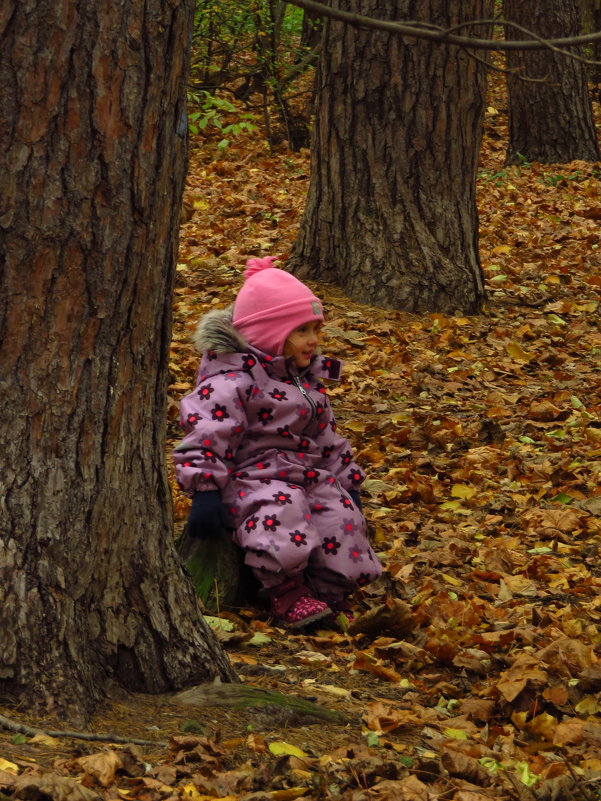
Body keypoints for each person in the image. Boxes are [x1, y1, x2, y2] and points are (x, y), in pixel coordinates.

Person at [174, 256, 382, 629]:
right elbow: (207, 432)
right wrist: (204, 492)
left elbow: (326, 437)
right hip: (252, 478)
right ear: (270, 333)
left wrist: (348, 481)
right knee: (281, 512)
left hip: (306, 472)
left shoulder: (306, 381)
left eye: (316, 329)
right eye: (302, 331)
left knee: (341, 515)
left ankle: (329, 591)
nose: (314, 341)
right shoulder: (233, 380)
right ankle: (285, 591)